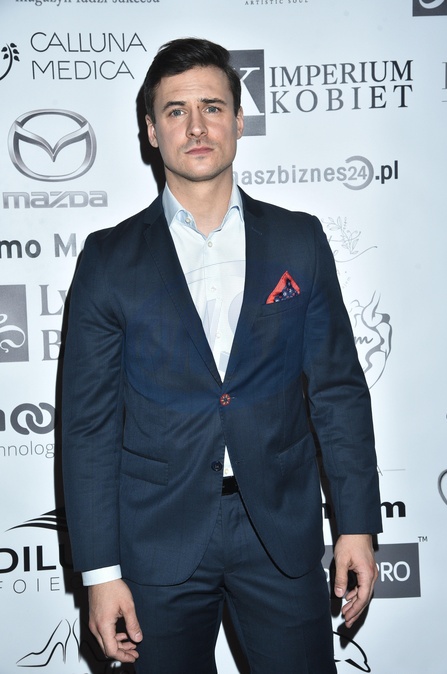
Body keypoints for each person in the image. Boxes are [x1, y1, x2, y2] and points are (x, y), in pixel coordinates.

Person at [62, 37, 382, 674]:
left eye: (211, 107)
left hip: (280, 534)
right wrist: (99, 573)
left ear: (238, 120)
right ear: (151, 131)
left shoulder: (299, 239)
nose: (196, 126)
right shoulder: (107, 259)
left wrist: (356, 525)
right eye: (175, 111)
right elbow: (88, 427)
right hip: (155, 541)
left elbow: (338, 391)